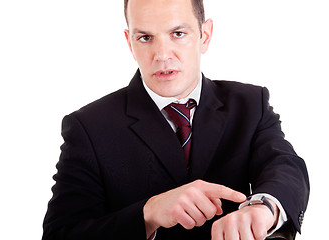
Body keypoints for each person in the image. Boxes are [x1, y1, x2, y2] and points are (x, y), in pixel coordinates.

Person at [42, 0, 309, 239]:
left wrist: (265, 207)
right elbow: (61, 232)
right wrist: (148, 214)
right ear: (129, 43)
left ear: (205, 35)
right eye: (146, 37)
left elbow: (285, 167)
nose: (162, 55)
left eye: (178, 34)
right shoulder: (88, 127)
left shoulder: (251, 104)